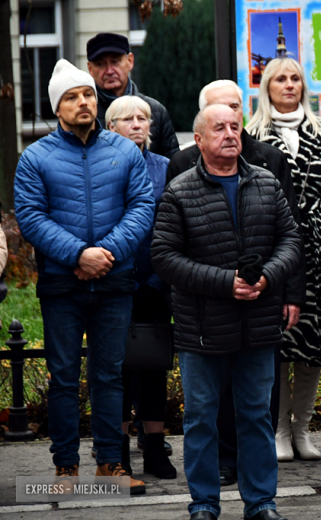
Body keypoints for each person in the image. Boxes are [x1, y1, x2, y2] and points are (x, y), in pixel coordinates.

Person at [152, 104, 299, 520]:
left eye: (235, 127)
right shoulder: (179, 191)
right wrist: (224, 282)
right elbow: (164, 257)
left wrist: (267, 278)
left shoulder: (267, 183)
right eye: (219, 128)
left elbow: (291, 240)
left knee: (256, 416)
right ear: (198, 140)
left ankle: (262, 503)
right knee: (201, 419)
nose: (230, 134)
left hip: (258, 324)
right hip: (201, 329)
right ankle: (203, 503)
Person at [14, 59, 153, 494]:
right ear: (58, 108)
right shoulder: (35, 157)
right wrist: (78, 254)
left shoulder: (125, 152)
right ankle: (65, 468)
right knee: (63, 376)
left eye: (88, 94)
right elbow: (31, 218)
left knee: (110, 374)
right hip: (61, 285)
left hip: (113, 282)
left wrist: (105, 254)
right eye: (73, 97)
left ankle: (110, 465)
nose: (83, 102)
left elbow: (142, 208)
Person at [246, 58, 321, 462]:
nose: (289, 85)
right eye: (280, 79)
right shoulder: (252, 134)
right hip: (276, 250)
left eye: (295, 79)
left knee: (313, 347)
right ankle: (279, 431)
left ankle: (302, 431)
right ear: (266, 87)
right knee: (280, 346)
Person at [104, 95, 176, 479]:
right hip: (113, 283)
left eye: (143, 118)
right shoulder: (99, 167)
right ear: (110, 126)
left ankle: (154, 446)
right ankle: (117, 451)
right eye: (127, 118)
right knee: (116, 369)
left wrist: (155, 280)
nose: (136, 124)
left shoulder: (165, 168)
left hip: (155, 282)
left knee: (153, 366)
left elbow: (173, 229)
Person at [87, 32, 179, 158]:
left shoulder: (156, 111)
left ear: (130, 61)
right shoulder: (86, 114)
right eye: (100, 64)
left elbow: (173, 166)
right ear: (90, 69)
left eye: (115, 62)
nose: (109, 71)